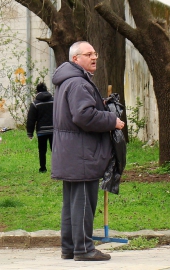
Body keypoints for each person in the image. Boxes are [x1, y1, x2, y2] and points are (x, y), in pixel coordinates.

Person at [51, 41, 125, 261]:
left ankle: (70, 247)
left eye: (95, 53)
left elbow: (79, 111)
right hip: (82, 153)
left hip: (71, 151)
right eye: (88, 54)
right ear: (76, 59)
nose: (94, 57)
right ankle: (84, 249)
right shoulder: (78, 83)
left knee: (72, 203)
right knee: (83, 201)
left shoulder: (68, 81)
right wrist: (112, 120)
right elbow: (84, 116)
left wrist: (100, 105)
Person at [26, 83, 53, 173]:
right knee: (55, 150)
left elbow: (31, 119)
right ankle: (56, 168)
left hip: (41, 131)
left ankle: (43, 168)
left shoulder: (35, 104)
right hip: (54, 129)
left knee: (42, 150)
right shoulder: (54, 101)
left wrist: (30, 133)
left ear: (37, 91)